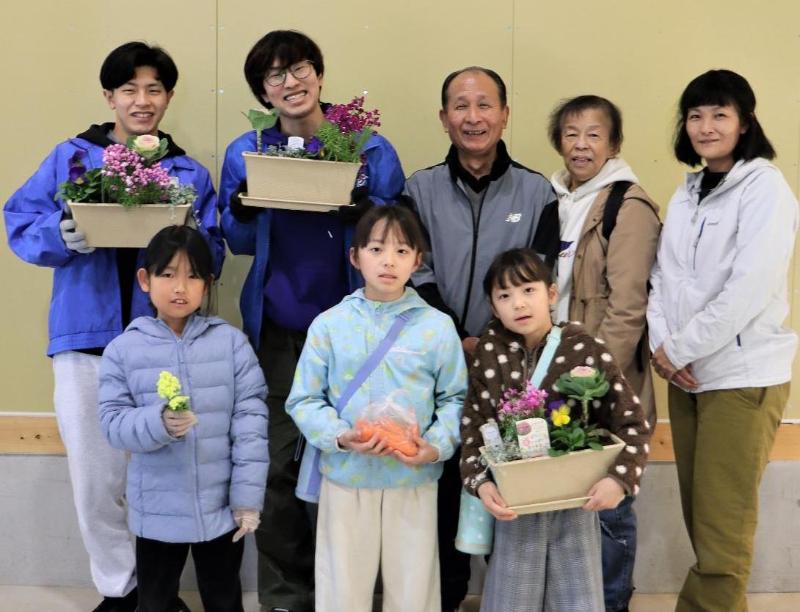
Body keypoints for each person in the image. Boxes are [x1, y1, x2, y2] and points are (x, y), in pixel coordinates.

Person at [3, 42, 222, 612]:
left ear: (169, 97)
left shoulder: (189, 173)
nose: (141, 101)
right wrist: (62, 232)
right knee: (96, 480)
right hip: (85, 339)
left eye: (154, 90)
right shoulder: (72, 158)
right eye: (129, 89)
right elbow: (19, 219)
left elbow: (215, 250)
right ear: (110, 97)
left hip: (166, 343)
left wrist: (193, 246)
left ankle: (157, 593)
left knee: (160, 475)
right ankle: (118, 590)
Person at [218, 30, 404, 612]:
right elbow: (239, 238)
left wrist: (363, 211)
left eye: (298, 68)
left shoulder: (368, 148)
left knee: (350, 463)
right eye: (274, 76)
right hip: (277, 329)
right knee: (276, 464)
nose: (289, 82)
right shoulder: (247, 150)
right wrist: (245, 204)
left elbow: (395, 235)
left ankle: (345, 593)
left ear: (319, 75)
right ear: (263, 92)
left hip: (355, 335)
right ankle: (284, 597)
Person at [404, 66, 558, 610]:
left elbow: (536, 281)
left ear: (505, 114)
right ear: (444, 118)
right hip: (436, 369)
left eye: (485, 104)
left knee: (510, 488)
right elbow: (411, 272)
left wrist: (488, 342)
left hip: (513, 370)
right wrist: (455, 337)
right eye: (461, 106)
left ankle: (511, 598)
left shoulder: (538, 191)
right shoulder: (418, 189)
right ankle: (441, 599)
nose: (474, 117)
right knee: (443, 493)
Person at [647, 69, 798, 612]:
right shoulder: (687, 194)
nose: (706, 126)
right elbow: (662, 280)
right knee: (701, 519)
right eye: (695, 115)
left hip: (741, 376)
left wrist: (679, 349)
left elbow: (750, 288)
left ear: (745, 122)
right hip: (687, 378)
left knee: (722, 532)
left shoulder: (765, 187)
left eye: (719, 114)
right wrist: (666, 353)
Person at [285, 204, 467, 612]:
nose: (389, 261)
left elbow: (456, 398)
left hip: (413, 478)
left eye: (403, 251)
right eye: (377, 249)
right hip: (347, 477)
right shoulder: (329, 324)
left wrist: (435, 446)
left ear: (418, 261)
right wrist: (339, 436)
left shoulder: (436, 326)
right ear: (355, 257)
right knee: (342, 589)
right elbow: (304, 399)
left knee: (414, 588)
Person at [460, 248, 651, 612]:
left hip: (575, 504)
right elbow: (473, 428)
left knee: (576, 599)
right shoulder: (488, 352)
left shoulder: (586, 349)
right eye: (505, 296)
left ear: (550, 294)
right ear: (492, 305)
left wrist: (619, 481)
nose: (518, 304)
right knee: (511, 600)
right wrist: (480, 483)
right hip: (515, 504)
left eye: (528, 290)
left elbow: (633, 424)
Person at [98, 225, 268, 612]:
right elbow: (112, 424)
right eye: (168, 274)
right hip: (156, 513)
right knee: (154, 603)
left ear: (207, 285)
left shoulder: (231, 344)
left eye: (193, 276)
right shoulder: (123, 350)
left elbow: (251, 424)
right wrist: (158, 424)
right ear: (145, 279)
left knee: (225, 600)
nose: (180, 287)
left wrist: (247, 499)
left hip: (221, 511)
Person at [547, 95, 660, 611]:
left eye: (594, 134)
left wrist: (591, 381)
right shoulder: (557, 199)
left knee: (610, 505)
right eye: (572, 133)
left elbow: (627, 308)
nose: (581, 145)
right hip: (557, 378)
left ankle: (612, 604)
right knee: (568, 503)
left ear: (614, 144)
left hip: (602, 385)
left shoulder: (626, 205)